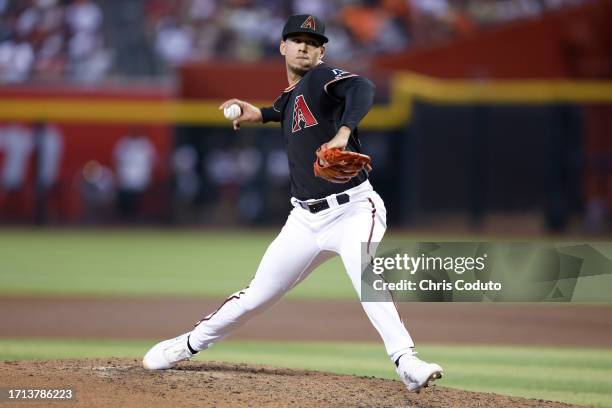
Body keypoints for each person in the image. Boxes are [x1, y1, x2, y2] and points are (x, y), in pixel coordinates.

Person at [143, 14, 443, 393]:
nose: (304, 46)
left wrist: (344, 132)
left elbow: (362, 87)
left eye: (313, 42)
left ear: (322, 52)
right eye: (297, 39)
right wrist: (260, 114)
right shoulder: (291, 96)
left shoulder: (321, 78)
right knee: (256, 297)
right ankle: (186, 345)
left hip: (354, 209)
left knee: (366, 273)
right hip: (304, 220)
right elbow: (285, 110)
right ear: (282, 46)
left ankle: (407, 362)